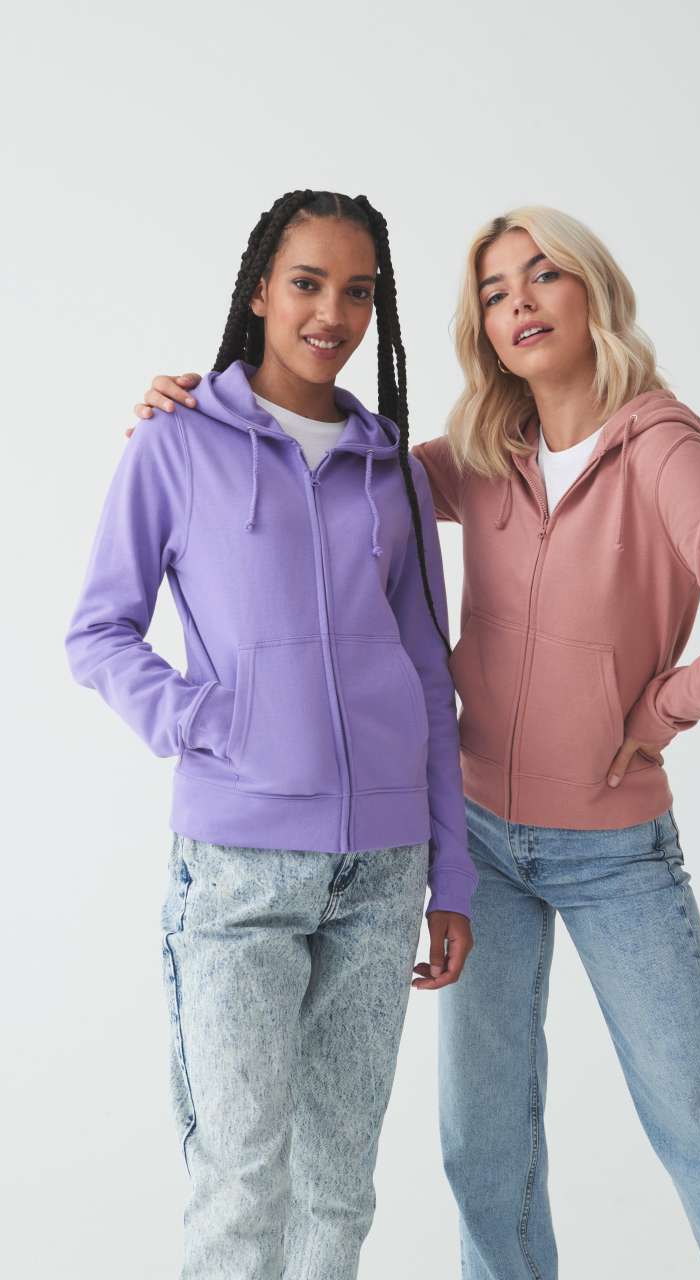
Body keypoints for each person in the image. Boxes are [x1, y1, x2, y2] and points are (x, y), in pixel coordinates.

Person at [132, 204, 700, 1279]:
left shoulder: (661, 448)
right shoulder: (474, 457)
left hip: (612, 848)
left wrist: (654, 714)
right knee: (484, 1152)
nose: (520, 304)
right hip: (484, 844)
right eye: (496, 292)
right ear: (483, 329)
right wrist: (198, 414)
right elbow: (331, 475)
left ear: (592, 292)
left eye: (542, 276)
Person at [67, 188, 475, 1280]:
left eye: (358, 291)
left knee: (338, 1188)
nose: (331, 313)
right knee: (241, 1184)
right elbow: (99, 630)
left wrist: (451, 874)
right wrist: (202, 718)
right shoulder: (177, 443)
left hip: (382, 870)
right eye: (307, 282)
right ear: (259, 290)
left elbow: (428, 676)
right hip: (238, 868)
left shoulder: (391, 469)